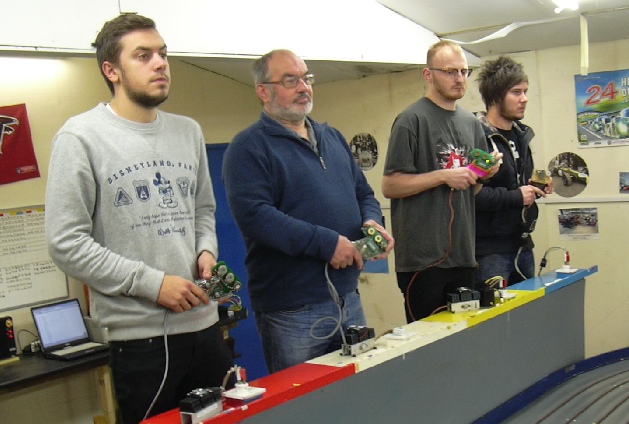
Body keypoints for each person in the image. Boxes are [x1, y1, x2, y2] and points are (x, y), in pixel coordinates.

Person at [45, 13, 233, 423]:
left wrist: (205, 249)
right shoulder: (80, 138)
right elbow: (65, 243)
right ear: (111, 70)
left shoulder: (188, 131)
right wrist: (153, 284)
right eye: (143, 55)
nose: (160, 63)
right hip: (142, 340)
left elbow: (203, 210)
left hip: (205, 327)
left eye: (163, 54)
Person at [222, 49, 394, 373]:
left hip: (348, 297)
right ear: (263, 91)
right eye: (291, 81)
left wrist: (372, 221)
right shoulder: (248, 148)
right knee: (303, 397)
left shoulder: (332, 137)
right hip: (292, 311)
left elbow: (364, 193)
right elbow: (255, 216)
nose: (303, 87)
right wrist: (327, 244)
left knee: (358, 390)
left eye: (306, 78)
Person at [382, 40, 501, 323]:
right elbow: (390, 186)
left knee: (462, 338)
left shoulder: (471, 123)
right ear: (428, 75)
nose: (459, 78)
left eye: (464, 71)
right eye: (450, 71)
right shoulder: (410, 120)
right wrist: (443, 176)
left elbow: (473, 188)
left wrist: (484, 174)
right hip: (423, 261)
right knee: (427, 341)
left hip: (463, 254)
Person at [474, 56, 552, 287]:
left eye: (525, 91)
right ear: (496, 97)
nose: (524, 99)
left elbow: (517, 183)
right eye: (516, 92)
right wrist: (517, 197)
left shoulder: (521, 135)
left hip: (523, 245)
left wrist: (537, 187)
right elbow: (471, 195)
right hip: (490, 252)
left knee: (529, 310)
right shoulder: (477, 138)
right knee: (494, 311)